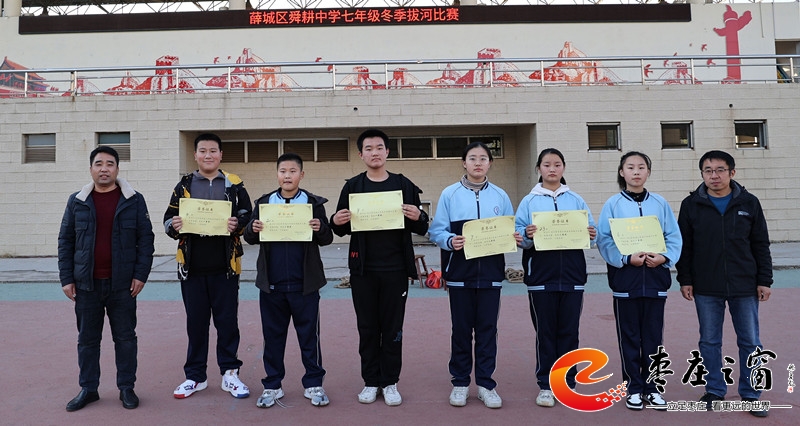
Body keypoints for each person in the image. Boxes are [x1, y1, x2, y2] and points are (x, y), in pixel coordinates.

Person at [329, 128, 429, 406]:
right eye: (369, 149)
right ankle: (371, 381)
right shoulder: (353, 186)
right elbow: (340, 227)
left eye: (379, 148)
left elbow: (422, 226)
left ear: (388, 152)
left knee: (393, 327)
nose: (375, 153)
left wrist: (419, 216)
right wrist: (335, 220)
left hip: (395, 269)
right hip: (363, 270)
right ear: (361, 155)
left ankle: (390, 381)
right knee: (367, 327)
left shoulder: (403, 184)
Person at [676, 150, 773, 418]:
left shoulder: (749, 203)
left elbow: (760, 244)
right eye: (708, 171)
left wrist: (764, 280)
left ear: (732, 172)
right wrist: (685, 279)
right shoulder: (691, 204)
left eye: (720, 170)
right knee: (709, 341)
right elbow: (685, 246)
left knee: (750, 341)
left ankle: (751, 394)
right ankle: (714, 390)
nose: (714, 175)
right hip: (706, 285)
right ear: (702, 174)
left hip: (745, 285)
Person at [58, 146, 155, 412]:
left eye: (110, 164)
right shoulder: (77, 201)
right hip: (86, 285)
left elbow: (146, 240)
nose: (104, 169)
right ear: (91, 169)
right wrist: (66, 278)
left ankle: (127, 387)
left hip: (122, 285)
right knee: (87, 340)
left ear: (117, 169)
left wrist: (140, 275)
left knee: (125, 339)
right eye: (99, 164)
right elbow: (65, 241)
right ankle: (88, 389)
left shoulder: (134, 200)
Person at [164, 133, 252, 399]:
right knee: (196, 324)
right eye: (203, 151)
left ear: (221, 155)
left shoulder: (234, 184)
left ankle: (230, 374)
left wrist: (237, 223)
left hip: (226, 267)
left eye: (213, 151)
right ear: (195, 155)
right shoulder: (184, 185)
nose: (208, 155)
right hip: (192, 267)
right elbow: (169, 218)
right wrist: (174, 225)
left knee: (227, 323)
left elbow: (247, 214)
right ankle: (195, 376)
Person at [428, 141, 516, 409]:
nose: (478, 163)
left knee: (488, 331)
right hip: (459, 275)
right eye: (472, 158)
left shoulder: (500, 196)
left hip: (490, 275)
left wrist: (513, 237)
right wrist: (449, 240)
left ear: (490, 163)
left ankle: (486, 385)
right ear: (463, 163)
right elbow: (436, 231)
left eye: (483, 158)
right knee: (461, 331)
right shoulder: (450, 194)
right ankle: (460, 383)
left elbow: (511, 230)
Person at [243, 153, 334, 408]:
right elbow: (248, 237)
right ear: (277, 174)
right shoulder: (264, 203)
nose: (287, 176)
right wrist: (253, 228)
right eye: (283, 171)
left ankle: (314, 384)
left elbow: (327, 238)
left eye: (293, 171)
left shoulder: (313, 203)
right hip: (272, 286)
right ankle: (272, 385)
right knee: (273, 338)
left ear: (301, 175)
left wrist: (320, 227)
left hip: (305, 285)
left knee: (309, 338)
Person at [596, 151, 682, 411]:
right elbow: (604, 239)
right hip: (626, 282)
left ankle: (653, 388)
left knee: (654, 338)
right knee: (629, 338)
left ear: (648, 172)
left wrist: (664, 258)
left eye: (641, 167)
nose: (636, 172)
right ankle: (633, 388)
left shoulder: (660, 203)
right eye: (630, 167)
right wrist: (625, 259)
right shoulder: (613, 204)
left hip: (655, 280)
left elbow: (673, 236)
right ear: (621, 172)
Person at [513, 148, 596, 407]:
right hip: (540, 277)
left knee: (569, 332)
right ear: (538, 168)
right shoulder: (529, 201)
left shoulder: (576, 200)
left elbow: (592, 232)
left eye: (557, 164)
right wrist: (526, 234)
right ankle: (546, 385)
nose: (552, 169)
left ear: (563, 168)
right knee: (545, 332)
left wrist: (591, 233)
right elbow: (519, 235)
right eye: (547, 164)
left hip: (572, 276)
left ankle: (567, 383)